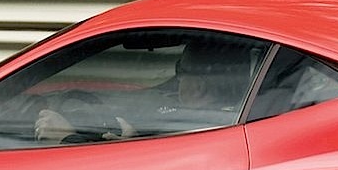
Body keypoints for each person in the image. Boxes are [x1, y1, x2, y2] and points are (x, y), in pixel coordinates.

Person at [33, 37, 260, 144]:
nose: (177, 81)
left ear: (199, 87)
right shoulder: (233, 122)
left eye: (179, 71)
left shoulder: (197, 135)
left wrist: (66, 137)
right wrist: (133, 140)